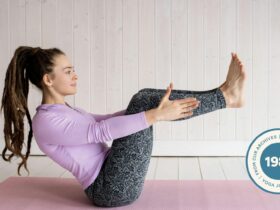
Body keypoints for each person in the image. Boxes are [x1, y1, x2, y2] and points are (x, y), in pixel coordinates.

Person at [0, 46, 246, 207]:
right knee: (143, 101)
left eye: (73, 70)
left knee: (144, 97)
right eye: (68, 71)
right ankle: (225, 96)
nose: (75, 75)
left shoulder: (63, 111)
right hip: (109, 189)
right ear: (48, 79)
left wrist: (150, 113)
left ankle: (224, 94)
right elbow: (99, 132)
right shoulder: (47, 122)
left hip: (114, 176)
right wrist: (154, 115)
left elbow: (104, 121)